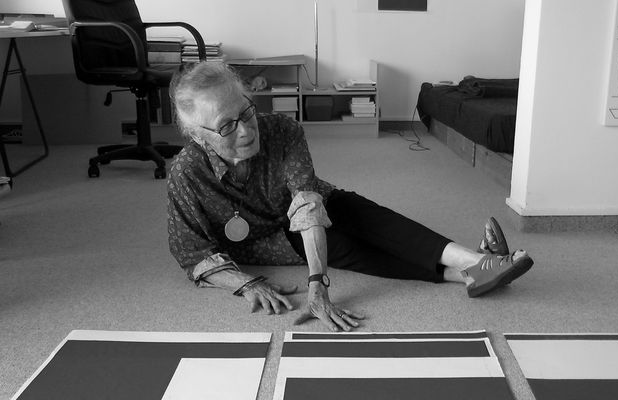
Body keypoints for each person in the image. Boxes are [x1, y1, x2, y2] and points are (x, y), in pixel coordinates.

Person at [167, 62, 533, 332]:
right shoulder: (186, 171)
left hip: (305, 207)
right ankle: (468, 274)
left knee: (366, 216)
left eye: (246, 111)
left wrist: (317, 282)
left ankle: (474, 263)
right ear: (198, 136)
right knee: (349, 249)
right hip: (265, 241)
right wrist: (245, 283)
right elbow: (191, 253)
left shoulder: (282, 129)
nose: (246, 130)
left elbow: (308, 207)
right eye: (226, 126)